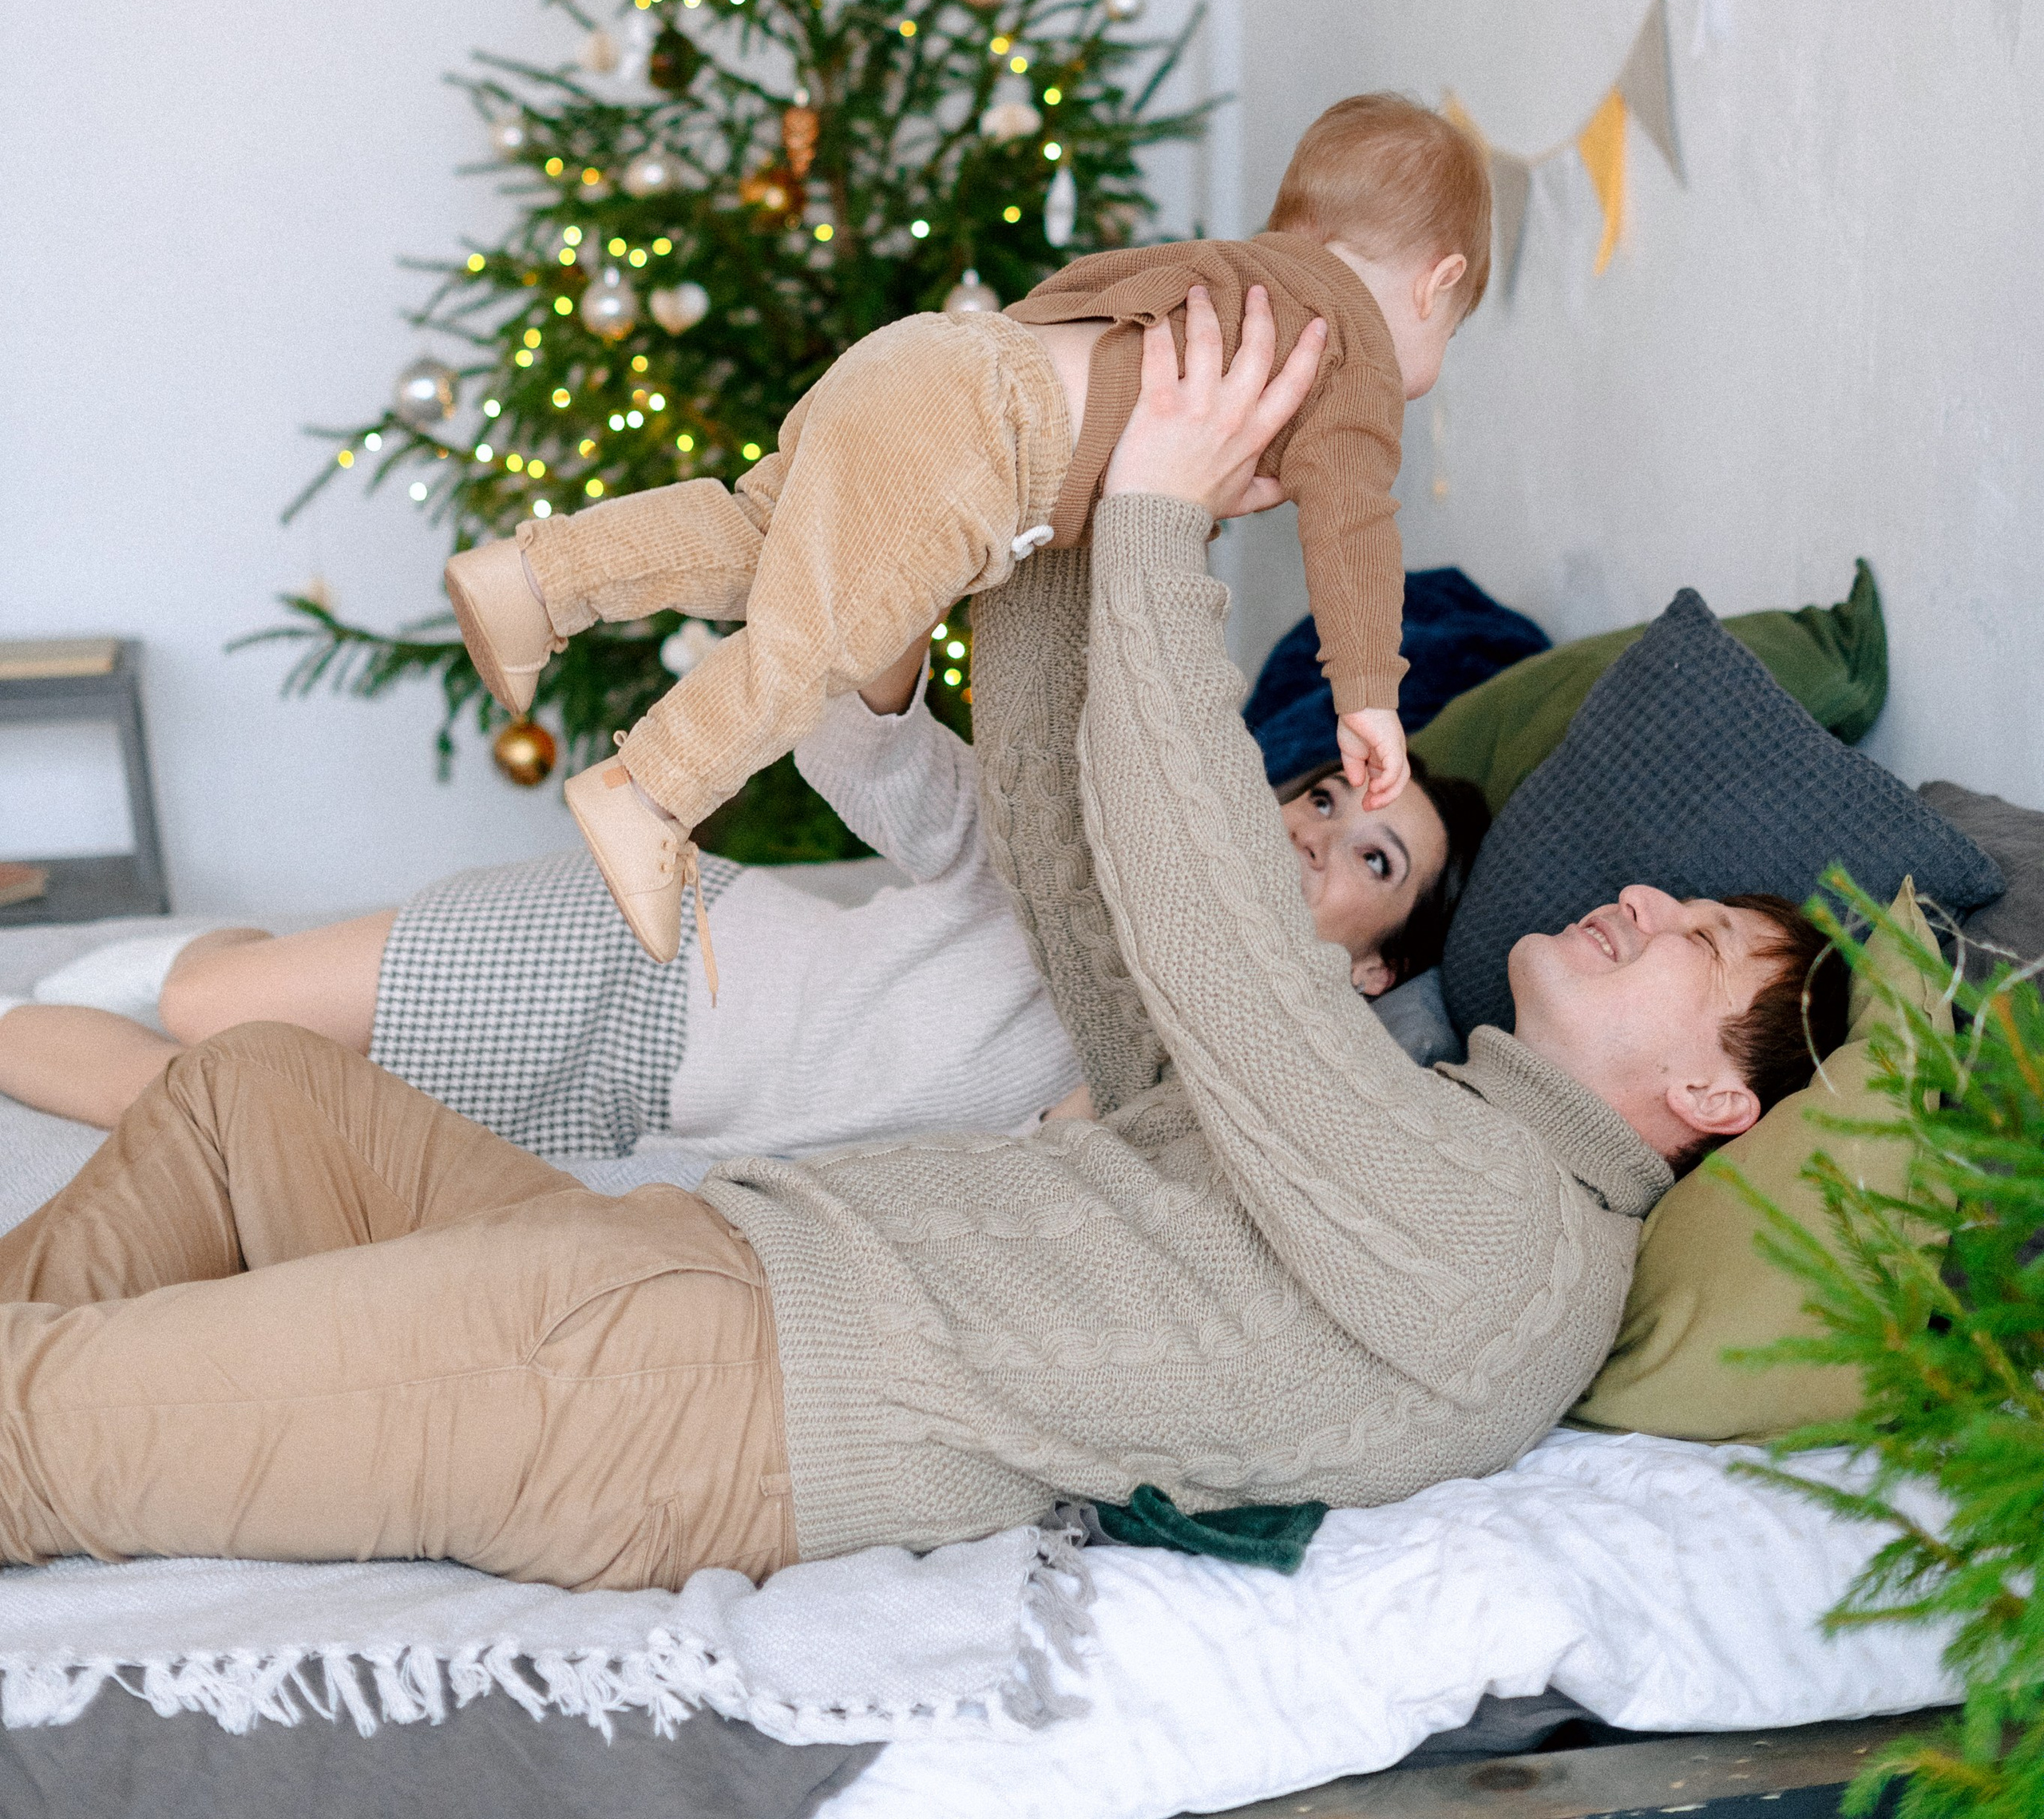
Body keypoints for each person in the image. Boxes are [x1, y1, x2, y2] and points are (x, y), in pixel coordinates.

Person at [0, 293, 1842, 1587]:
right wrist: (1056, 490)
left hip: (709, 1390)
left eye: (1700, 938)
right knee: (252, 1101)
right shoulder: (1421, 1118)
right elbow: (1076, 877)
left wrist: (1159, 533)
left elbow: (1219, 945)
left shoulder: (1515, 1245)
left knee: (46, 1419)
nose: (1640, 902)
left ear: (1711, 1094)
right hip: (693, 1266)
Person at [445, 93, 1491, 958]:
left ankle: (536, 582)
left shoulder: (1235, 270)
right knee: (824, 637)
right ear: (1435, 283)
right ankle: (652, 794)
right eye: (1448, 332)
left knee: (763, 533)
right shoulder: (1348, 346)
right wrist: (1368, 696)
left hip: (938, 357)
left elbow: (1074, 299)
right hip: (991, 445)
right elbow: (1355, 529)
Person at [0, 687, 1484, 1146]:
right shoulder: (1078, 867)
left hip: (634, 1136)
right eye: (1322, 802)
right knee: (198, 1027)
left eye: (1373, 863)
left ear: (1372, 975)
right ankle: (211, 960)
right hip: (643, 952)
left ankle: (190, 979)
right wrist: (891, 640)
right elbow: (883, 757)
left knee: (206, 1123)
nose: (1316, 835)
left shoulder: (1203, 1091)